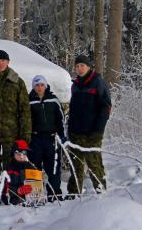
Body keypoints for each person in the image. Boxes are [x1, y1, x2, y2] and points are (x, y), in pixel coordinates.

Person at [0, 50, 32, 183]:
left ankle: (11, 191)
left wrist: (25, 134)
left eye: (3, 60)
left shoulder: (17, 82)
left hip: (12, 132)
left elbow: (25, 110)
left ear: (8, 62)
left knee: (12, 164)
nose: (0, 63)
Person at [66, 55, 112, 197]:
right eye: (77, 66)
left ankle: (101, 192)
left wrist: (98, 130)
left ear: (89, 67)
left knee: (94, 164)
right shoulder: (75, 85)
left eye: (82, 66)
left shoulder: (97, 82)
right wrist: (70, 128)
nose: (79, 69)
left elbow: (106, 107)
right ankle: (73, 194)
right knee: (76, 165)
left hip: (92, 133)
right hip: (76, 133)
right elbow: (73, 109)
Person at [28, 75, 65, 201]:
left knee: (53, 167)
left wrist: (62, 136)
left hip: (51, 139)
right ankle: (35, 196)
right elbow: (25, 120)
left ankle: (54, 194)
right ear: (33, 87)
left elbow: (61, 119)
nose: (39, 87)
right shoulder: (29, 101)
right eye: (37, 85)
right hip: (35, 139)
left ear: (46, 86)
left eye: (41, 85)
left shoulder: (53, 100)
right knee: (34, 166)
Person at [1, 140, 34, 206]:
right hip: (14, 206)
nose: (22, 156)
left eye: (24, 153)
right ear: (13, 154)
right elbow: (4, 194)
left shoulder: (31, 168)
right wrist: (18, 191)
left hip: (32, 202)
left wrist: (41, 181)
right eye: (18, 153)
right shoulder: (8, 170)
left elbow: (37, 187)